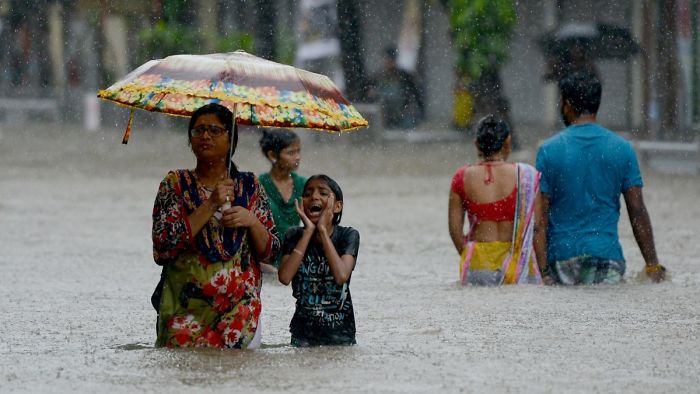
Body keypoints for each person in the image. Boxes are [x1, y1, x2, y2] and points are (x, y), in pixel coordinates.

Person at [151, 103, 280, 349]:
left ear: (231, 139)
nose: (205, 136)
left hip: (240, 313)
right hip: (184, 310)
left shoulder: (250, 186)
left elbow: (272, 252)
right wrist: (211, 204)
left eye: (214, 130)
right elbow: (163, 247)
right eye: (198, 131)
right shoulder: (175, 184)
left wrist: (251, 221)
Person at [535, 71, 666, 285]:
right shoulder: (622, 149)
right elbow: (637, 211)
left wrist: (543, 274)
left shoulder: (549, 151)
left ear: (567, 105)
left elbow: (540, 221)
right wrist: (652, 265)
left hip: (562, 261)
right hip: (607, 258)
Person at [448, 115, 544, 285]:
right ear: (508, 141)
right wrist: (544, 270)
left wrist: (468, 253)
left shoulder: (462, 177)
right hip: (517, 262)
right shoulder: (526, 176)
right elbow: (536, 227)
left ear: (476, 143)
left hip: (478, 262)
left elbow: (455, 230)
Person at [278, 175, 360, 346]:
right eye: (307, 194)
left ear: (337, 206)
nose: (314, 197)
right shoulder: (293, 235)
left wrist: (322, 230)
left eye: (323, 193)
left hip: (340, 335)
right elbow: (285, 277)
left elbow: (341, 275)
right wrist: (308, 232)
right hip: (302, 335)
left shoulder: (348, 236)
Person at [257, 129, 306, 272]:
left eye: (298, 152)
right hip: (266, 263)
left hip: (293, 258)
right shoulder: (258, 186)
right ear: (272, 155)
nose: (297, 157)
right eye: (291, 153)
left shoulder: (304, 185)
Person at [368, 46, 424, 129]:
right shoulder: (378, 76)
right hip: (384, 115)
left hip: (402, 114)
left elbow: (415, 94)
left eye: (392, 60)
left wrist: (413, 108)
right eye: (388, 59)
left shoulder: (404, 76)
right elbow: (369, 95)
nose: (390, 62)